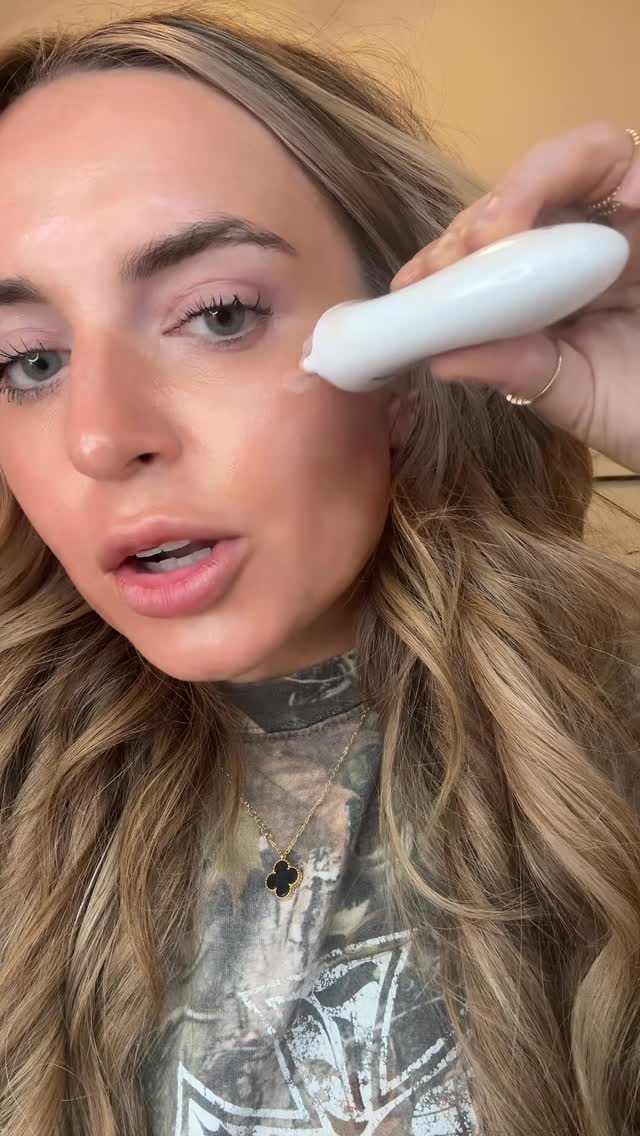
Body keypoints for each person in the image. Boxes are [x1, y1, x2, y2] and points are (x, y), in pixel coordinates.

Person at [0, 8, 638, 1136]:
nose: (100, 436)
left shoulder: (611, 762)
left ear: (410, 357)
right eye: (29, 362)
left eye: (218, 315)